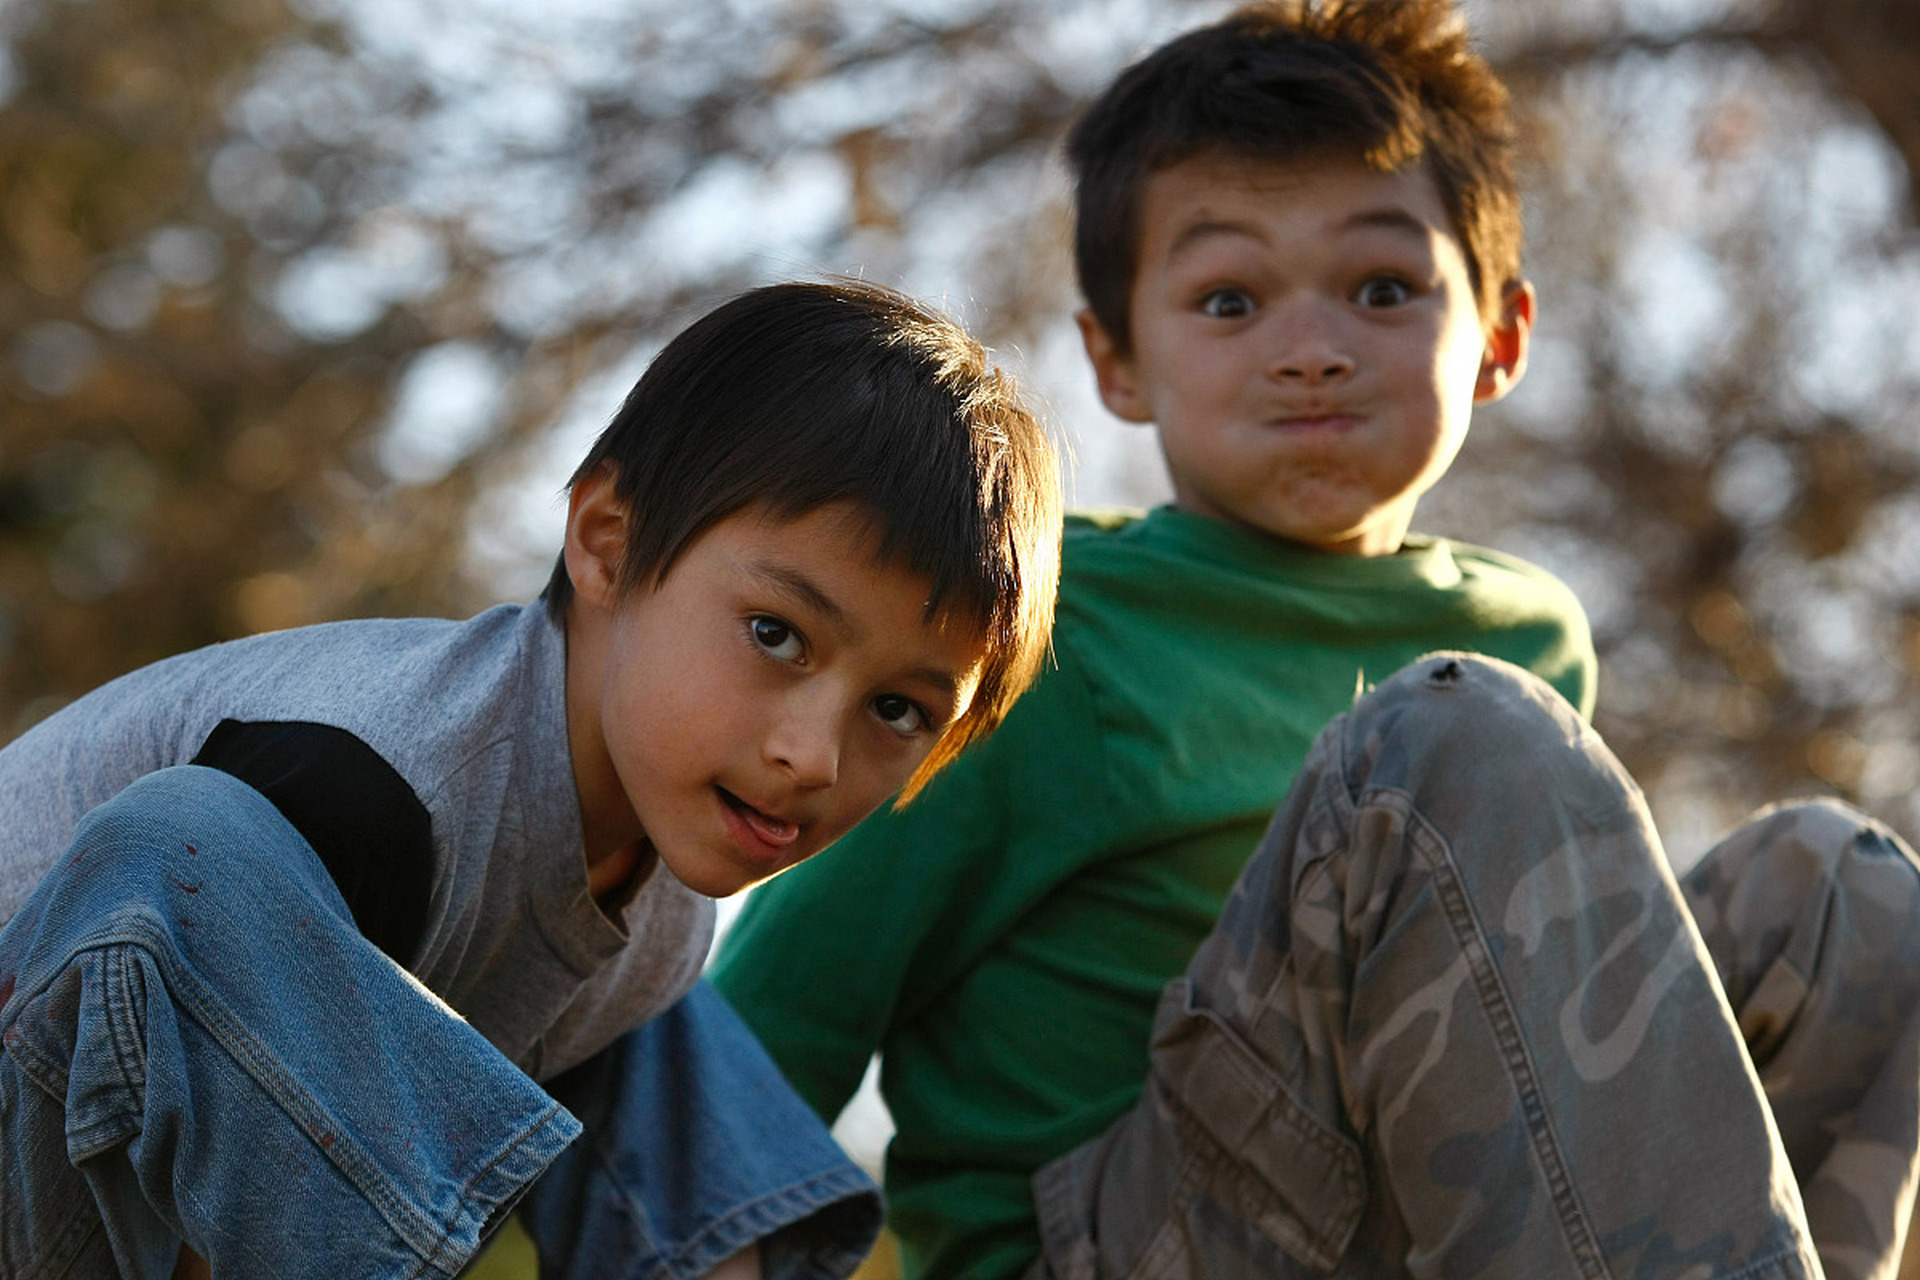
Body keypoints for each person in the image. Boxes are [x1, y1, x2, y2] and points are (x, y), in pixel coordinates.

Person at [710, 5, 1920, 1279]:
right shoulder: (1037, 635)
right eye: (1230, 298)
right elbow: (777, 1010)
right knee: (1454, 726)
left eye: (1382, 288)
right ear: (1117, 358)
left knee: (1842, 891)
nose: (1313, 351)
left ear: (1501, 335)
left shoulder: (1528, 638)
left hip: (1415, 1223)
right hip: (1114, 1248)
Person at [0, 279, 1063, 1280]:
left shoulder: (668, 878)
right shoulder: (376, 778)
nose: (812, 756)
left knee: (658, 1003)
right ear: (608, 541)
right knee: (188, 846)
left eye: (898, 710)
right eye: (776, 633)